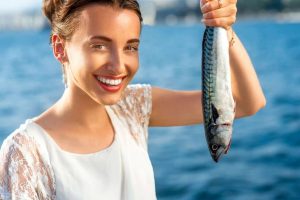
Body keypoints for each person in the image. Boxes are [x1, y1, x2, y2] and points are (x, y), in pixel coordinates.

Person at [0, 0, 266, 199]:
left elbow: (246, 102)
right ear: (60, 48)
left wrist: (224, 28)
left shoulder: (133, 106)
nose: (118, 66)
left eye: (130, 47)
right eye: (99, 45)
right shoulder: (24, 152)